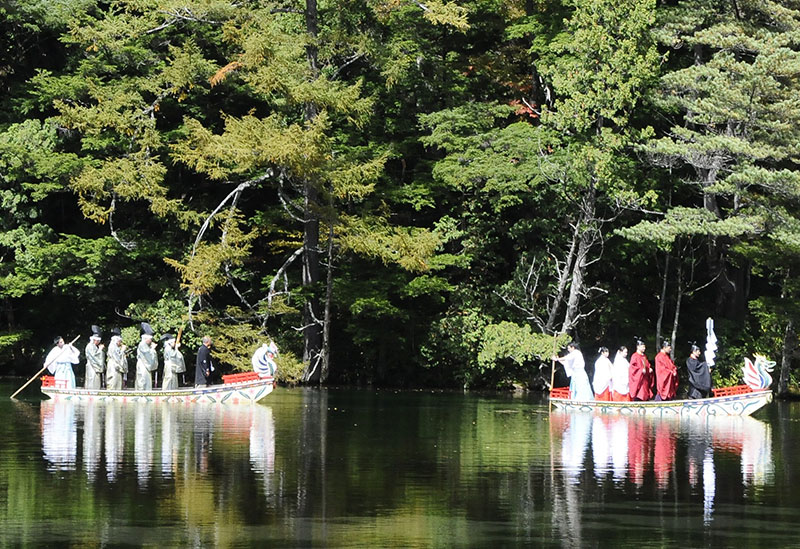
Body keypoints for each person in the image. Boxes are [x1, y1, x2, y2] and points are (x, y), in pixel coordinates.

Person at [136, 324, 158, 391]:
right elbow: (148, 355)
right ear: (146, 338)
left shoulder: (145, 345)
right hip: (143, 365)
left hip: (145, 365)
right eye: (150, 339)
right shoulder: (142, 344)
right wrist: (153, 349)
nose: (151, 341)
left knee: (146, 380)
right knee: (143, 381)